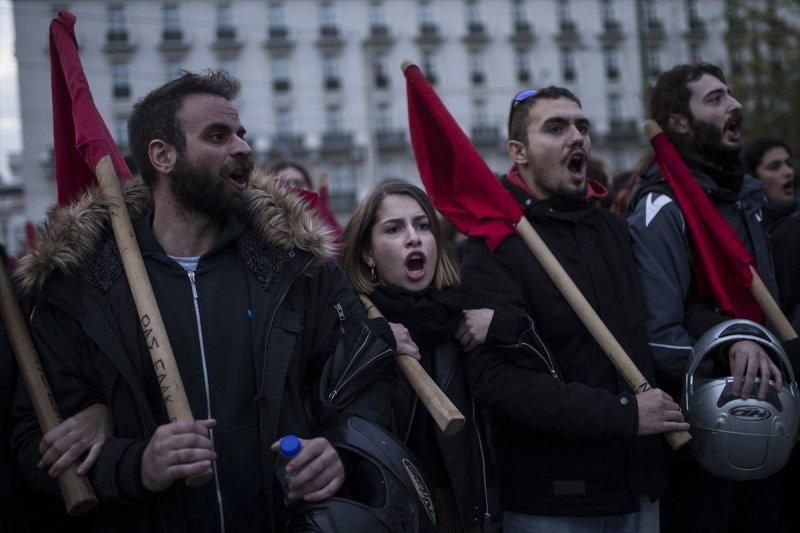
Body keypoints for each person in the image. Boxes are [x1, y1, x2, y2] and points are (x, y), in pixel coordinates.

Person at [11, 69, 396, 533]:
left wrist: (339, 449)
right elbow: (37, 441)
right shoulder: (85, 288)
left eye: (241, 135)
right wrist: (136, 466)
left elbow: (365, 382)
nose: (243, 149)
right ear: (163, 155)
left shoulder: (296, 269)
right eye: (219, 135)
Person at [459, 86, 685, 532]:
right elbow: (496, 383)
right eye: (556, 127)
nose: (576, 136)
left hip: (641, 490)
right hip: (555, 504)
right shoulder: (494, 246)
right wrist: (623, 414)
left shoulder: (612, 230)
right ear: (518, 152)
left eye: (581, 125)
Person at [627, 63, 789, 532]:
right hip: (707, 439)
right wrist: (731, 349)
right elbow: (660, 334)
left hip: (770, 424)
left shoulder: (745, 197)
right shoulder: (663, 206)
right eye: (715, 99)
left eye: (731, 94)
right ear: (679, 121)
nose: (734, 105)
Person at [340, 181, 499, 532]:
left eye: (423, 225)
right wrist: (370, 344)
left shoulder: (466, 314)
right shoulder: (347, 327)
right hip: (392, 516)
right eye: (394, 229)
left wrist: (507, 328)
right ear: (367, 253)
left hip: (466, 512)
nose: (413, 237)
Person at [742, 136, 797, 232]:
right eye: (774, 167)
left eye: (789, 164)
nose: (788, 172)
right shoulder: (752, 231)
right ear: (754, 177)